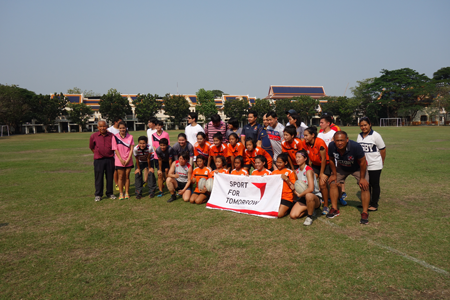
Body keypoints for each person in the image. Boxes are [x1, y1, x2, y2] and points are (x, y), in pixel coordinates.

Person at [327, 131, 370, 225]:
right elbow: (331, 160)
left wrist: (362, 178)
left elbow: (363, 162)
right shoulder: (331, 146)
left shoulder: (355, 146)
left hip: (357, 168)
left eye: (342, 140)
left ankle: (365, 212)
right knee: (332, 182)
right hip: (342, 167)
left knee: (364, 186)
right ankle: (334, 208)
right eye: (337, 140)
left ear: (347, 139)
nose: (339, 143)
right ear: (334, 140)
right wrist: (334, 174)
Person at [357, 117, 386, 211]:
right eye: (361, 125)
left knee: (374, 184)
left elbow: (383, 149)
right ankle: (366, 202)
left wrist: (381, 162)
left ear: (370, 124)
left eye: (365, 125)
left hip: (375, 164)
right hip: (363, 165)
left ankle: (374, 204)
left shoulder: (376, 135)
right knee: (365, 184)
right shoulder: (359, 136)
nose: (363, 127)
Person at [303, 127, 332, 215]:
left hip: (325, 164)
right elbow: (307, 157)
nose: (305, 137)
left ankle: (326, 205)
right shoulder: (305, 143)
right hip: (315, 165)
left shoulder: (320, 142)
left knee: (322, 183)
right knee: (310, 181)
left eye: (306, 135)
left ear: (313, 135)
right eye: (304, 135)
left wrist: (322, 173)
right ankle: (314, 201)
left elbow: (323, 159)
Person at [290, 150, 322, 226]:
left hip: (314, 197)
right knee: (293, 215)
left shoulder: (308, 170)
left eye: (299, 157)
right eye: (296, 157)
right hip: (304, 197)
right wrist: (294, 189)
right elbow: (298, 187)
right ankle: (310, 208)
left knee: (308, 195)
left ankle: (309, 217)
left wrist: (300, 195)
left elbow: (311, 189)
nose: (297, 159)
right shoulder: (297, 171)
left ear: (305, 159)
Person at [89, 120, 116, 202]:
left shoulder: (112, 135)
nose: (102, 128)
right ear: (98, 127)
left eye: (104, 126)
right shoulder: (94, 136)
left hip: (110, 159)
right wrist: (98, 153)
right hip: (99, 160)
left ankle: (110, 193)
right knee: (98, 178)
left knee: (110, 177)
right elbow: (91, 147)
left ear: (107, 126)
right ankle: (98, 194)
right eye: (100, 126)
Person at [112, 121, 134, 200]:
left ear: (126, 128)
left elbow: (131, 149)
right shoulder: (115, 137)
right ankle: (121, 193)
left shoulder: (130, 137)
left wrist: (128, 159)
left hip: (128, 160)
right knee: (120, 177)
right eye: (120, 128)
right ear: (118, 128)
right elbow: (115, 149)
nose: (122, 129)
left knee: (127, 177)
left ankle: (127, 192)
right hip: (119, 160)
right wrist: (121, 159)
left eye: (123, 128)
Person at [271, 153, 296, 218]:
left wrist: (286, 179)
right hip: (276, 197)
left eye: (280, 162)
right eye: (277, 162)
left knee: (279, 215)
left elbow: (293, 187)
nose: (278, 164)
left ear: (286, 163)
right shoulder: (273, 172)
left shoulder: (290, 172)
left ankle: (290, 207)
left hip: (286, 197)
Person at [107, 117, 122, 191]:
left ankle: (121, 183)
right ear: (115, 122)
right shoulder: (110, 130)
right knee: (115, 169)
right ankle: (117, 184)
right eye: (119, 122)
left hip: (122, 152)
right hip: (114, 152)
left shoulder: (123, 129)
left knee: (122, 169)